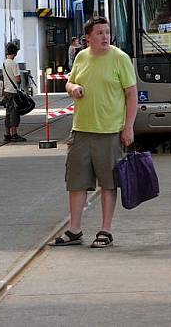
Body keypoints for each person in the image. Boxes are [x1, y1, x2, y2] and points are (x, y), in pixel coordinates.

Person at [50, 16, 138, 249]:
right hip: (81, 130)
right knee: (76, 182)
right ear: (87, 38)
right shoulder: (81, 57)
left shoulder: (120, 58)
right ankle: (75, 229)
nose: (105, 37)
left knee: (109, 183)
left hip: (110, 131)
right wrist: (73, 88)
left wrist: (128, 126)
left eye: (107, 32)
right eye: (99, 33)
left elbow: (131, 94)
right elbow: (69, 83)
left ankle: (105, 230)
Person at [3, 42, 27, 143]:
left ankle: (7, 133)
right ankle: (14, 134)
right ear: (15, 53)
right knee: (14, 113)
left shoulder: (4, 63)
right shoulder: (14, 64)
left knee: (8, 113)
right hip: (13, 92)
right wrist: (20, 83)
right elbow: (18, 79)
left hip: (6, 91)